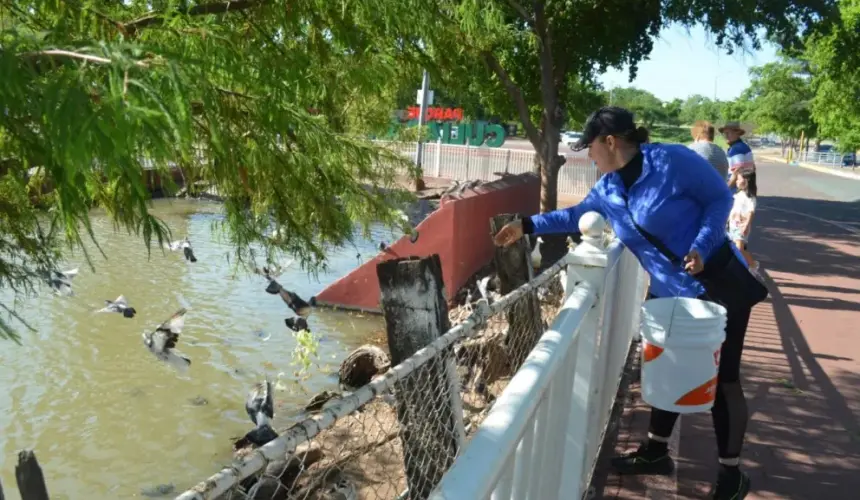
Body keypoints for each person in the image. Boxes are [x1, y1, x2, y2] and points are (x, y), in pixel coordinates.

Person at [493, 106, 754, 499]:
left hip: (718, 282)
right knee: (666, 371)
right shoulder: (609, 187)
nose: (588, 155)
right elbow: (578, 215)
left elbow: (720, 200)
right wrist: (525, 225)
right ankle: (655, 452)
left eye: (590, 147)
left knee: (724, 380)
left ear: (610, 142)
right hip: (668, 293)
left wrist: (701, 247)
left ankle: (732, 475)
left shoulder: (671, 160)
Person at [728, 170, 758, 269]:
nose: (736, 181)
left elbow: (751, 211)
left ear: (746, 181)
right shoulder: (738, 194)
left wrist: (746, 224)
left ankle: (753, 265)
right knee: (733, 248)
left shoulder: (750, 197)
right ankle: (740, 266)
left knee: (739, 248)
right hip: (732, 225)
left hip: (741, 226)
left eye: (739, 179)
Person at [720, 121, 756, 189]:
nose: (725, 136)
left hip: (736, 189)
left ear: (737, 133)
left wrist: (725, 190)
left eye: (728, 133)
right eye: (724, 134)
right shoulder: (742, 146)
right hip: (745, 188)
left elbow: (737, 173)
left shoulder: (736, 149)